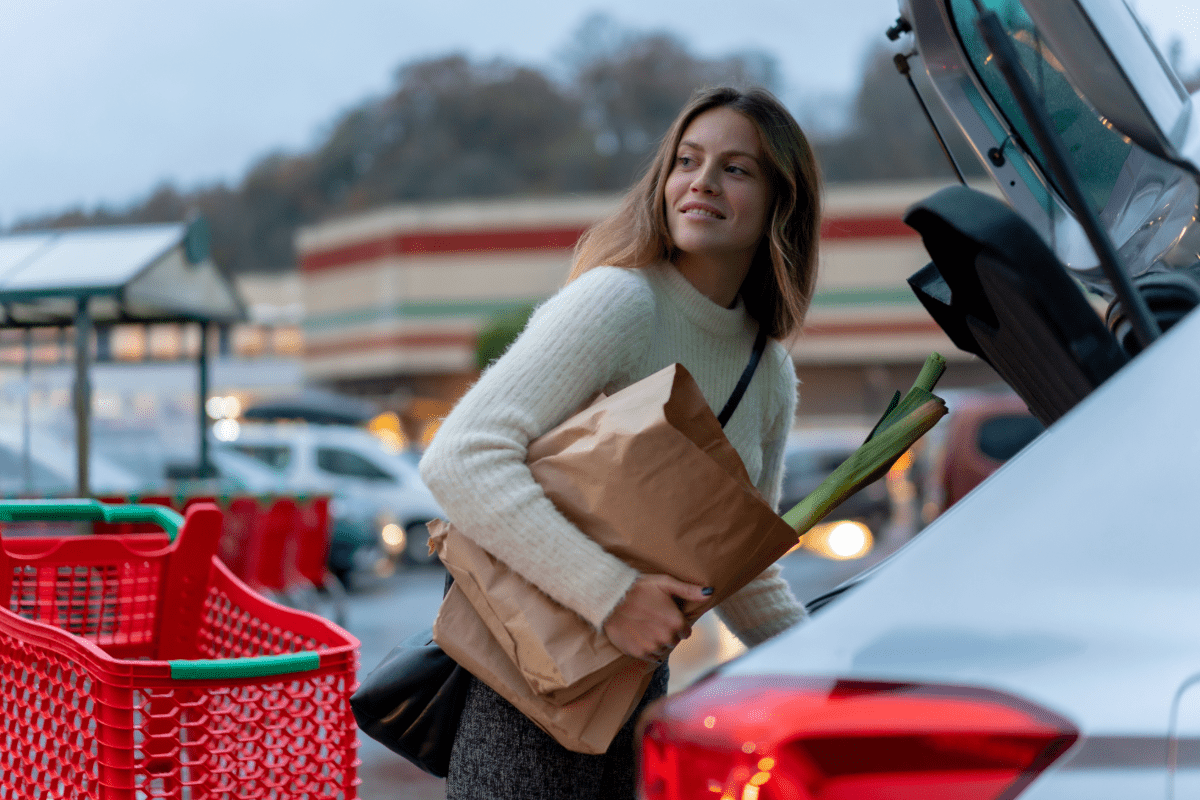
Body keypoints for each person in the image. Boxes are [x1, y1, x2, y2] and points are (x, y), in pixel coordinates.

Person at [419, 85, 822, 800]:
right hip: (529, 677)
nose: (701, 182)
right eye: (687, 161)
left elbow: (739, 566)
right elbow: (462, 456)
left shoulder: (771, 373)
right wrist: (613, 595)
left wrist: (830, 672)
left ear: (780, 203)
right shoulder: (621, 301)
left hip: (631, 684)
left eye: (736, 168)